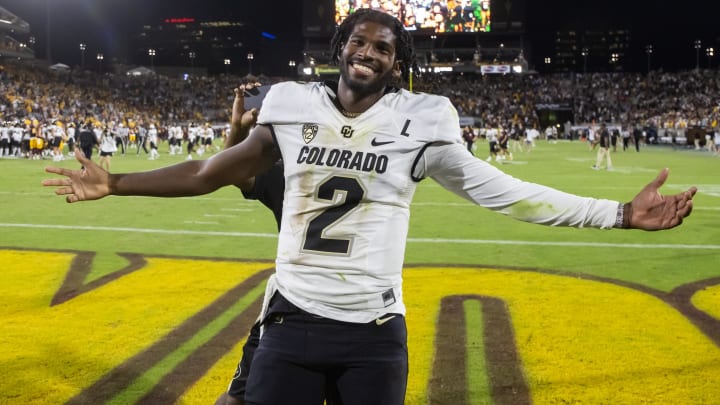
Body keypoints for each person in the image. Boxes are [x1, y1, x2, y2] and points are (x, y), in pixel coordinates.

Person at [43, 9, 696, 405]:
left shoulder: (424, 119)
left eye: (383, 48)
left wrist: (615, 212)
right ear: (341, 49)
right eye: (359, 42)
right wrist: (119, 181)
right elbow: (213, 171)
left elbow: (504, 192)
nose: (368, 52)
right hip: (292, 320)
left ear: (396, 64)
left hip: (375, 331)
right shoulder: (293, 106)